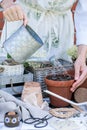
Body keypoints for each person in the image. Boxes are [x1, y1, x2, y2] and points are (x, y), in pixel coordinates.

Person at [1, 0, 87, 92]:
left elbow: (84, 13)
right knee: (11, 84)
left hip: (61, 32)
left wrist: (81, 56)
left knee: (56, 84)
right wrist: (6, 2)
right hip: (23, 23)